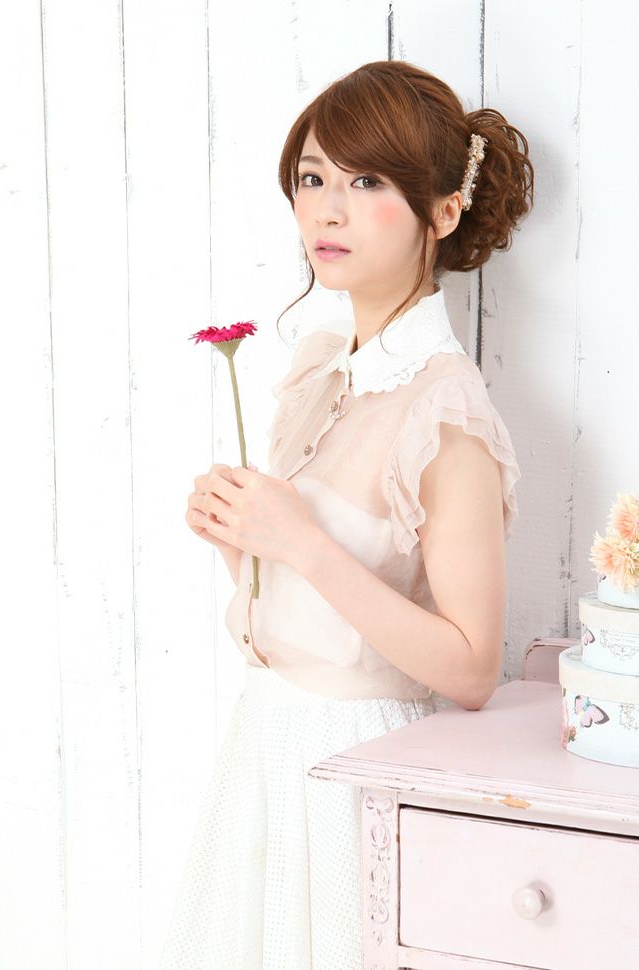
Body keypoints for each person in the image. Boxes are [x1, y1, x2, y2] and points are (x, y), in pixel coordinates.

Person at [158, 59, 533, 970]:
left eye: (366, 183)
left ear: (443, 211)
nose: (327, 210)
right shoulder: (320, 370)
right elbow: (305, 615)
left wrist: (299, 542)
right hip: (266, 749)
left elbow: (471, 668)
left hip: (359, 768)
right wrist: (239, 538)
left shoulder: (446, 413)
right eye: (312, 178)